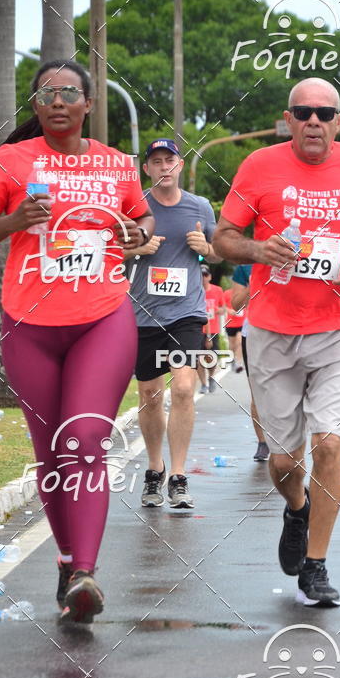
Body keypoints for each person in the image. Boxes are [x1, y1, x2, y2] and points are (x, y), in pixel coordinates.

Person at [212, 77, 340, 606]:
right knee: (284, 462)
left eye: (324, 112)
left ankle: (316, 565)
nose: (314, 120)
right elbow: (226, 237)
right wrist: (257, 250)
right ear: (288, 119)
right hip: (272, 328)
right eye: (303, 112)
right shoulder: (258, 166)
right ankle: (297, 510)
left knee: (330, 443)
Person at [0, 59, 154, 623]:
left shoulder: (118, 166)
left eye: (69, 92)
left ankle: (86, 572)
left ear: (89, 104)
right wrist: (15, 222)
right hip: (29, 323)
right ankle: (66, 563)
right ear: (35, 106)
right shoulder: (11, 160)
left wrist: (139, 233)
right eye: (47, 94)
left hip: (101, 316)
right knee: (49, 454)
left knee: (85, 438)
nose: (58, 100)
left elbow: (141, 223)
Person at [125, 138, 218, 511]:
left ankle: (178, 475)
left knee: (183, 386)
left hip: (187, 313)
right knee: (150, 394)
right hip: (143, 313)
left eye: (170, 160)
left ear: (179, 166)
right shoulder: (134, 206)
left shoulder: (200, 206)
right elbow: (108, 249)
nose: (164, 167)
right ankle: (154, 469)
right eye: (156, 161)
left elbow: (221, 251)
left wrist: (206, 248)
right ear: (146, 168)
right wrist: (136, 249)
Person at [229, 264, 269, 461]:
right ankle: (263, 443)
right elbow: (236, 304)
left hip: (289, 332)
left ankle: (286, 441)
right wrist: (253, 284)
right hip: (253, 333)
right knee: (258, 391)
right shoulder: (244, 268)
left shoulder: (292, 258)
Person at [198, 265, 225, 394]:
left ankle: (211, 378)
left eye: (205, 275)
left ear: (209, 276)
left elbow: (223, 309)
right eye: (201, 275)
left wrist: (214, 310)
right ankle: (203, 384)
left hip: (213, 329)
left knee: (211, 358)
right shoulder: (194, 291)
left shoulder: (218, 290)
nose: (203, 278)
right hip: (197, 329)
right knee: (199, 359)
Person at [224, 286, 245, 372]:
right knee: (232, 344)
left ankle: (239, 362)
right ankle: (232, 359)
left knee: (239, 341)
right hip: (230, 323)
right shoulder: (227, 293)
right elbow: (222, 305)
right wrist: (229, 311)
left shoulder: (245, 292)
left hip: (242, 322)